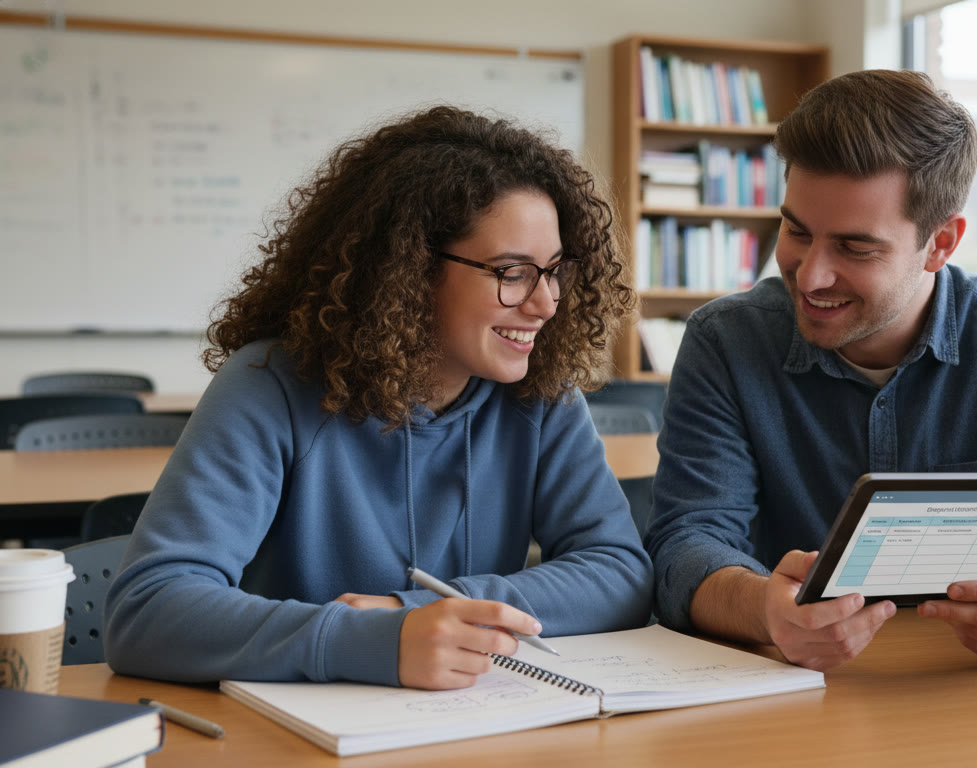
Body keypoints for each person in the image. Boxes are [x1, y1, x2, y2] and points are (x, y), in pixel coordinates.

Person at [644, 69, 977, 671]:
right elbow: (683, 549)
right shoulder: (726, 341)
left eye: (855, 248)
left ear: (941, 243)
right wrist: (765, 610)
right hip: (801, 700)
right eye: (797, 230)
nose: (810, 273)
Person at [105, 106, 653, 690]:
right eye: (512, 271)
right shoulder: (268, 386)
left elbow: (619, 573)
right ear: (411, 269)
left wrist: (429, 611)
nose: (546, 303)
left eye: (554, 270)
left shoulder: (542, 396)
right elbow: (148, 611)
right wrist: (367, 641)